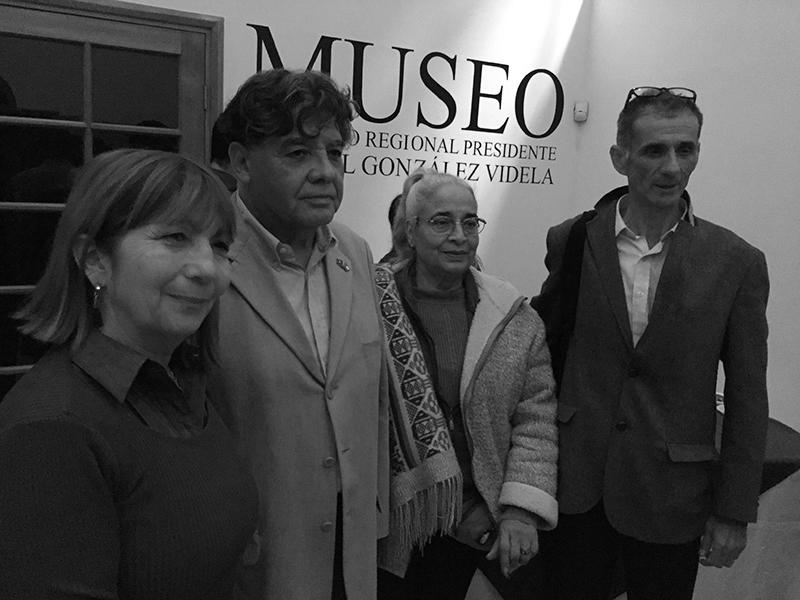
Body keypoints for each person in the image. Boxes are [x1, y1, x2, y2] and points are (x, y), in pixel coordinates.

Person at [531, 87, 769, 600]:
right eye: (654, 150)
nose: (672, 167)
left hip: (672, 493)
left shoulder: (735, 262)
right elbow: (544, 355)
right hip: (576, 481)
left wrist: (733, 511)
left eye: (686, 149)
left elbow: (748, 395)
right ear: (620, 158)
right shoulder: (571, 240)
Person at [0, 149, 259, 599]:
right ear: (94, 259)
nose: (208, 270)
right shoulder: (54, 428)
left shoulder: (182, 382)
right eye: (175, 237)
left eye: (219, 245)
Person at [209, 69, 388, 600]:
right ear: (242, 162)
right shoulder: (205, 258)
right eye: (297, 153)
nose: (325, 172)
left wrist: (375, 521)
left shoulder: (354, 251)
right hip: (254, 559)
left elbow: (371, 401)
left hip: (352, 557)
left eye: (334, 153)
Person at [375, 169, 558, 600]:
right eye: (441, 222)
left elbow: (536, 419)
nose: (459, 236)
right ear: (410, 232)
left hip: (479, 523)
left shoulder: (513, 317)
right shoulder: (369, 303)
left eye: (470, 222)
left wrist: (520, 511)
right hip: (389, 522)